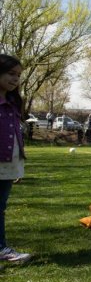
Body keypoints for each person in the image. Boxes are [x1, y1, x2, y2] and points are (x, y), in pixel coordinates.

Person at [0, 54, 32, 264]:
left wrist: (17, 165)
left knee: (0, 207)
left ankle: (1, 248)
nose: (15, 79)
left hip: (9, 163)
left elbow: (15, 135)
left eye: (18, 75)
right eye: (11, 74)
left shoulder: (13, 102)